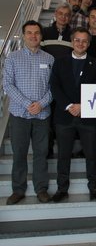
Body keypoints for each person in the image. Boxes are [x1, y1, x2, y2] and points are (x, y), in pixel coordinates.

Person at [50, 27, 96, 203]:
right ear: (72, 42)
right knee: (63, 155)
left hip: (87, 116)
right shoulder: (59, 62)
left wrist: (83, 106)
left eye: (84, 41)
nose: (80, 43)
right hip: (64, 116)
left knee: (91, 155)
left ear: (88, 44)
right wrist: (69, 106)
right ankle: (62, 189)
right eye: (77, 40)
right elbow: (55, 87)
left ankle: (94, 187)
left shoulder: (95, 64)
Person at [3, 20, 54, 205]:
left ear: (41, 36)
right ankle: (18, 189)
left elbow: (53, 87)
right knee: (19, 153)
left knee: (41, 153)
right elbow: (7, 85)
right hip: (19, 114)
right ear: (24, 36)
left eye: (37, 33)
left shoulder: (49, 59)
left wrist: (40, 104)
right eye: (29, 33)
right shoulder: (12, 58)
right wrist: (27, 103)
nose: (34, 36)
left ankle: (41, 189)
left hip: (42, 115)